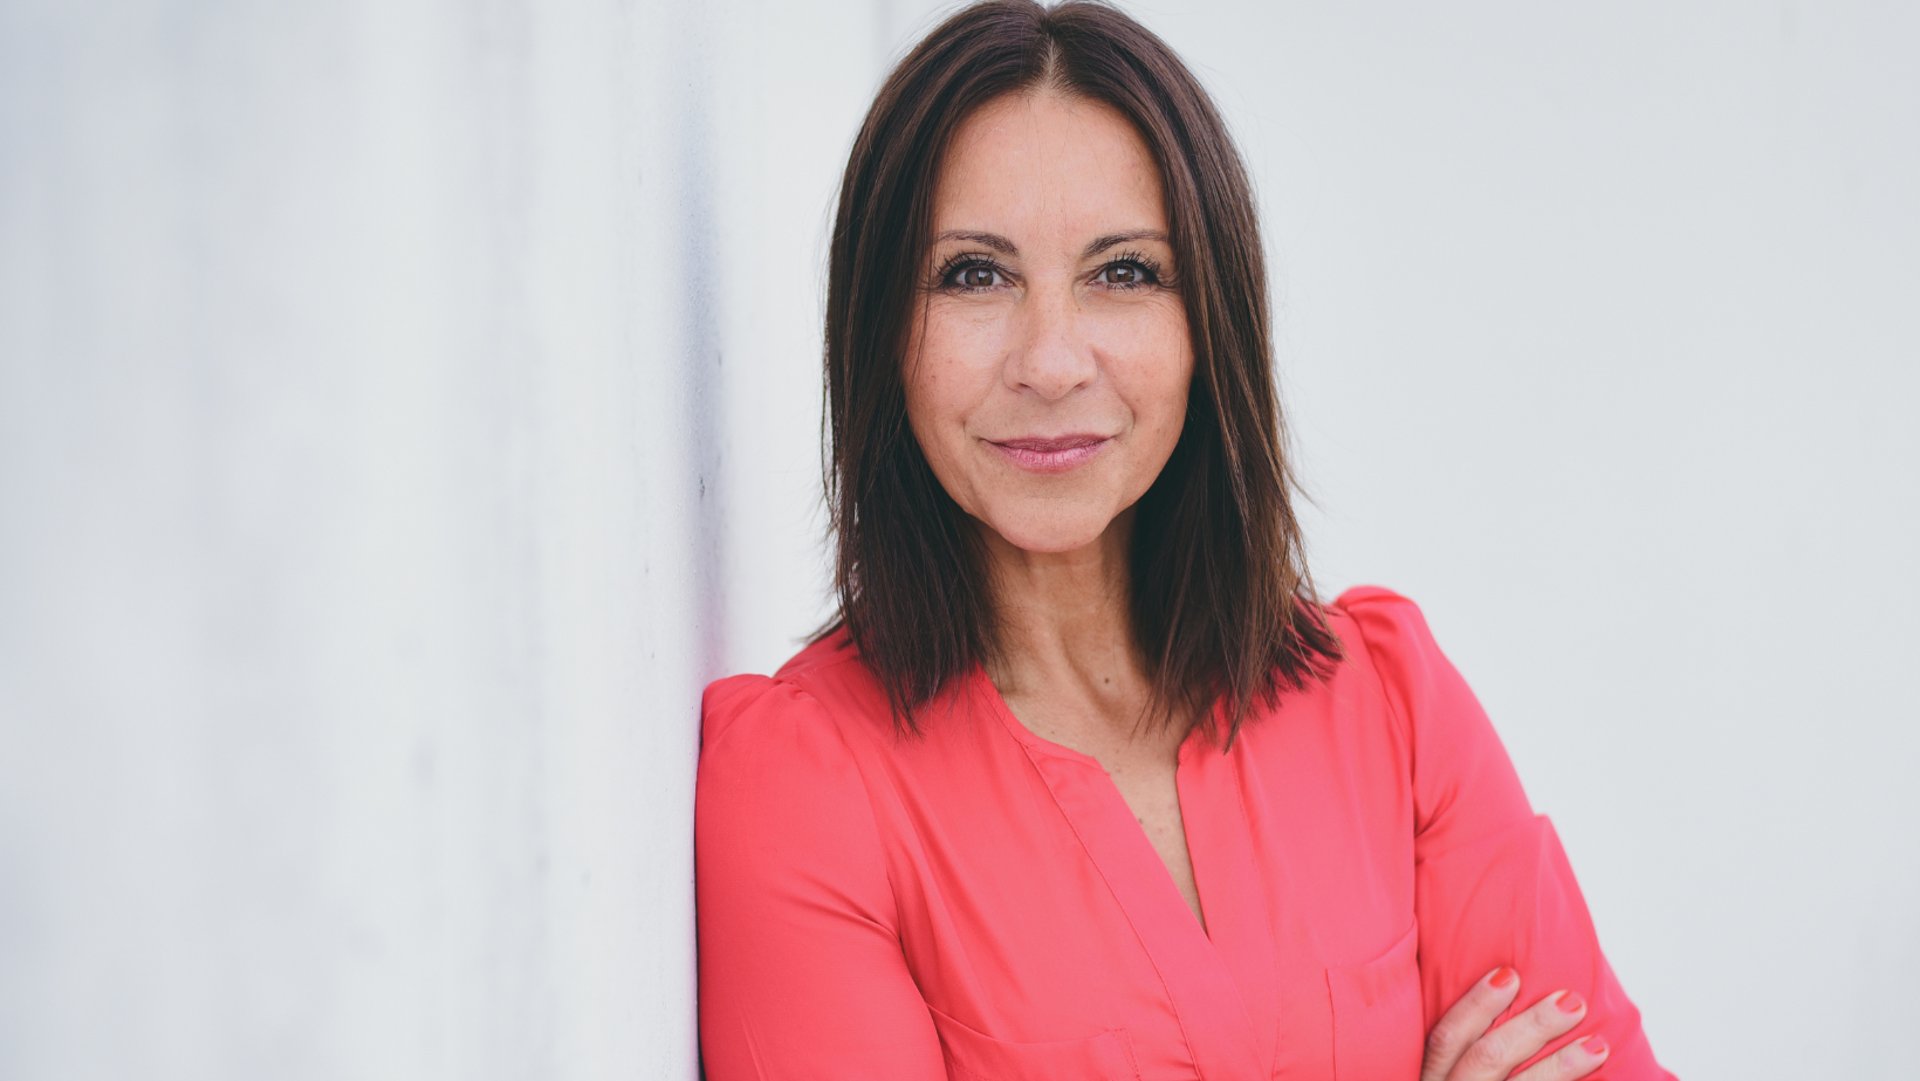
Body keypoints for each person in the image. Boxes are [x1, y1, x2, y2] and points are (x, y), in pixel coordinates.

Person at [695, 2, 1675, 1078]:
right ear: (880, 327)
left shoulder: (1389, 701)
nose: (1052, 360)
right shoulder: (808, 791)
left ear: (1210, 324)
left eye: (1124, 272)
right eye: (974, 273)